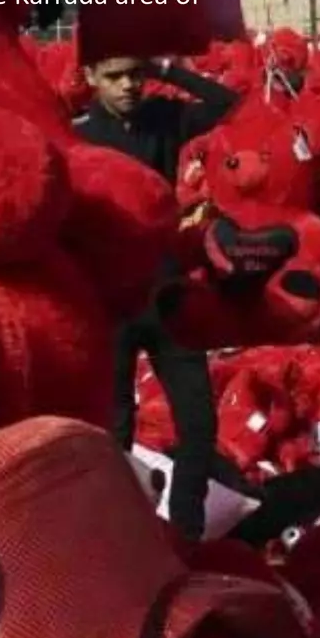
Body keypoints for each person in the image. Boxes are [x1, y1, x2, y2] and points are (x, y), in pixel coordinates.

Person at [75, 55, 240, 540]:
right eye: (114, 76)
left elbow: (229, 105)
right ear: (90, 78)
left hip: (167, 295)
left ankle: (184, 529)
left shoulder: (164, 118)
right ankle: (120, 534)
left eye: (135, 74)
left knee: (199, 422)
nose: (128, 86)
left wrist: (166, 67)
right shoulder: (79, 138)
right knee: (114, 430)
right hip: (110, 302)